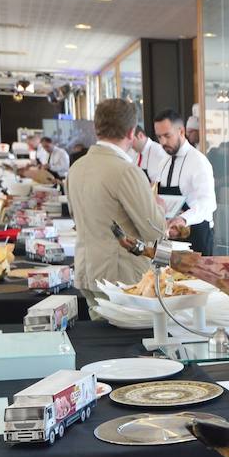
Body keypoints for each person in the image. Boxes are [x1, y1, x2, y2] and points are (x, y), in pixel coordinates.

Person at [67, 98, 167, 312]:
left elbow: (77, 219)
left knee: (103, 340)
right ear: (132, 132)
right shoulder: (126, 171)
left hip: (87, 269)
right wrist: (159, 207)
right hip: (120, 277)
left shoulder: (77, 166)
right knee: (128, 342)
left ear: (96, 129)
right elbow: (154, 231)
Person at [150, 109, 217, 255]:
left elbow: (208, 203)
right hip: (168, 235)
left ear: (181, 131)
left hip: (196, 235)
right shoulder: (164, 161)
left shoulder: (199, 161)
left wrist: (183, 219)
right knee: (162, 277)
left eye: (167, 136)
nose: (162, 142)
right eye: (159, 137)